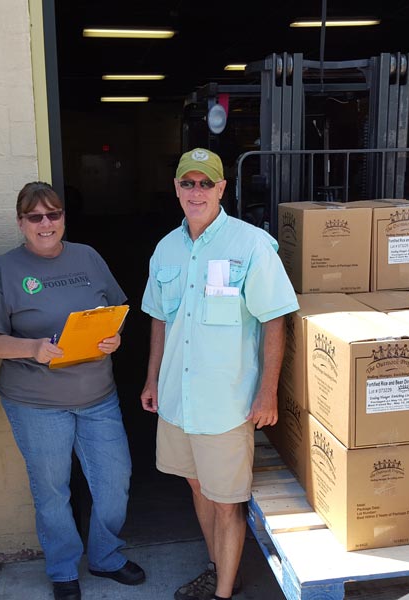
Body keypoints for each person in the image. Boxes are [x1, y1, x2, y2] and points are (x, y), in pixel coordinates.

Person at [140, 148, 299, 600]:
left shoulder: (250, 245)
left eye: (205, 183)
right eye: (187, 183)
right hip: (176, 400)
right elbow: (159, 320)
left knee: (228, 503)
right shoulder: (165, 248)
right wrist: (152, 380)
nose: (196, 191)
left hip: (225, 403)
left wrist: (267, 392)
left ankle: (222, 593)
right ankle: (218, 570)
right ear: (176, 188)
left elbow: (274, 319)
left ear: (222, 189)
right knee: (198, 487)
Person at [0, 181, 144, 600]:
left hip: (97, 396)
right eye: (35, 217)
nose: (46, 223)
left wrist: (115, 337)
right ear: (21, 223)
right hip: (36, 402)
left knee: (114, 480)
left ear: (63, 218)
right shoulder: (5, 269)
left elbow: (117, 311)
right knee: (52, 489)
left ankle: (106, 556)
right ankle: (63, 568)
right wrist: (32, 348)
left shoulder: (87, 256)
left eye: (53, 214)